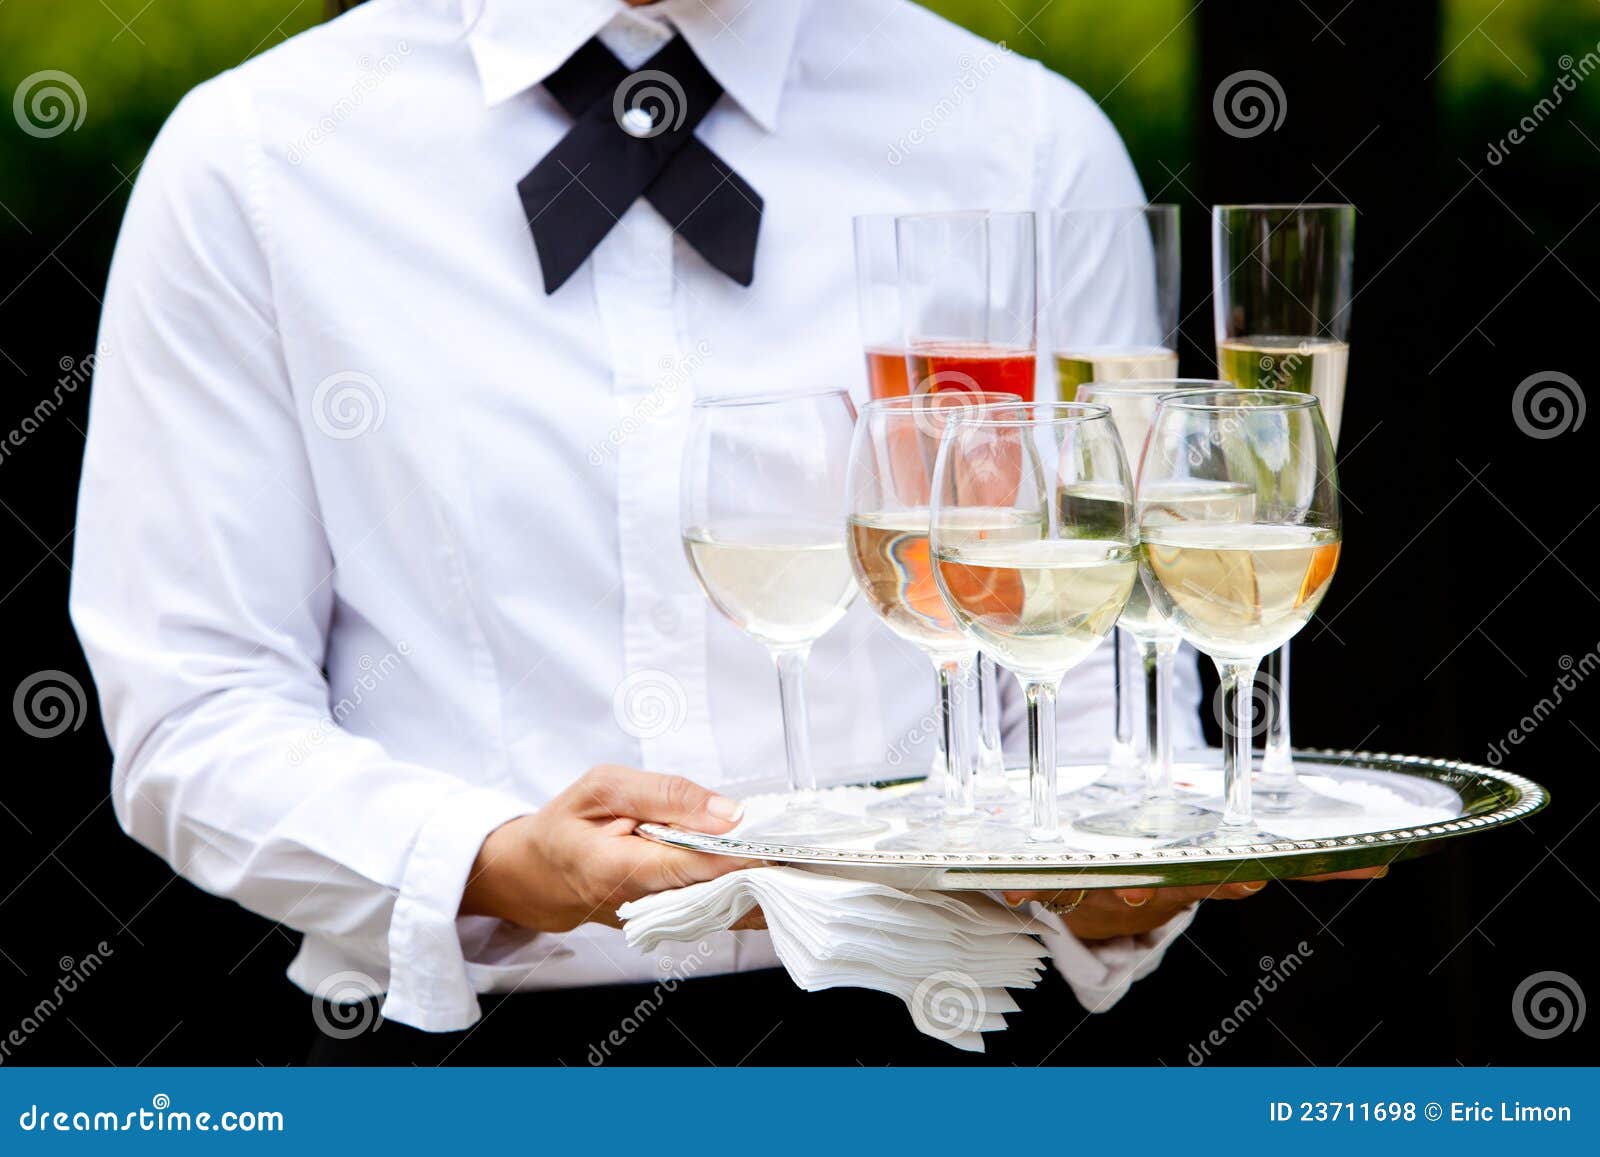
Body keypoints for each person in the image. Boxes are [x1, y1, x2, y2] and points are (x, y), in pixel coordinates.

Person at [71, 0, 1341, 1066]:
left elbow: (1107, 680)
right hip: (464, 1063)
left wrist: (1126, 871)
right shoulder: (255, 159)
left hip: (958, 1050)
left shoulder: (1027, 143)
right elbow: (195, 705)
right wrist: (496, 859)